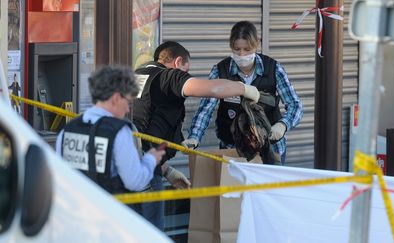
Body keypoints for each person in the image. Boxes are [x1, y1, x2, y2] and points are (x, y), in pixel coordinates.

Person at [133, 40, 261, 230]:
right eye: (185, 69)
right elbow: (212, 89)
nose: (184, 74)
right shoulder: (169, 77)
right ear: (177, 63)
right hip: (144, 171)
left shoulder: (139, 74)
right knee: (151, 230)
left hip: (128, 162)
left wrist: (167, 171)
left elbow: (146, 129)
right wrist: (245, 89)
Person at [184, 20, 303, 165]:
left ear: (257, 45)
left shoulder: (273, 69)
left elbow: (295, 105)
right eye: (237, 49)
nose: (241, 54)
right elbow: (206, 109)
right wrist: (194, 137)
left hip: (271, 149)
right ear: (231, 46)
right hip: (232, 149)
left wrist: (283, 125)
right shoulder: (221, 71)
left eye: (247, 49)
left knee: (268, 188)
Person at [55, 65, 165, 213]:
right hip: (109, 218)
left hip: (75, 214)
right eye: (127, 102)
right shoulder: (119, 132)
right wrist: (151, 159)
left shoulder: (67, 130)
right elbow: (135, 181)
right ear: (116, 98)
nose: (127, 109)